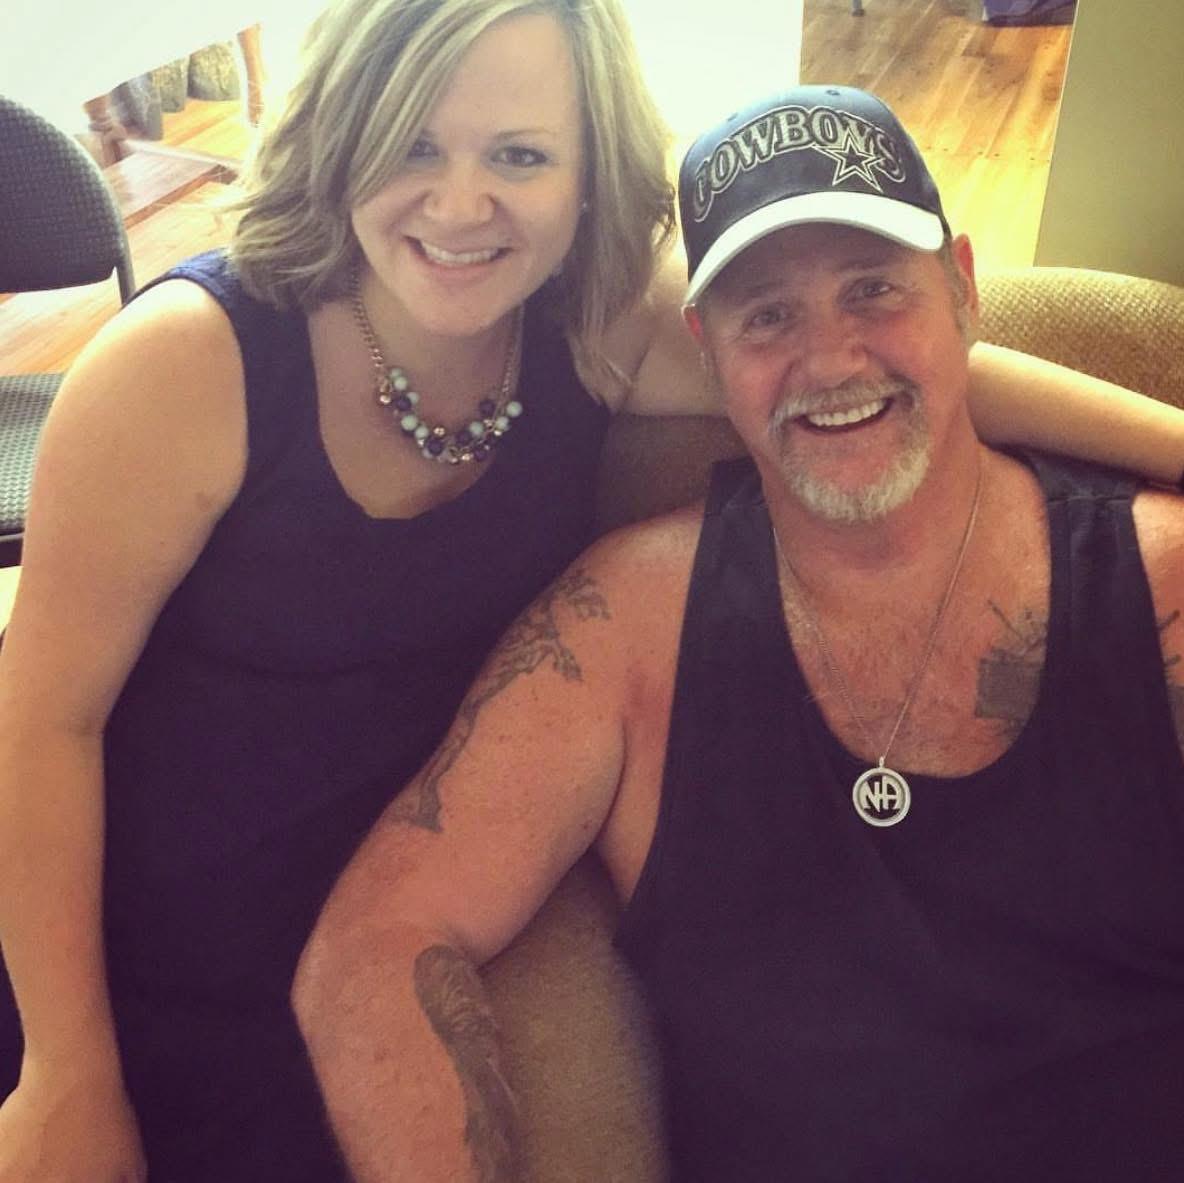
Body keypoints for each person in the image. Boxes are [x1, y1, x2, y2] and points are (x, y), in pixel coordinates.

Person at [0, 0, 1178, 1175]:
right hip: (120, 950)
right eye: (412, 142)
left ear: (586, 177)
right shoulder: (187, 363)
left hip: (382, 910)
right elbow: (42, 718)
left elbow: (906, 375)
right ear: (338, 134)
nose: (460, 203)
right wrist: (65, 1069)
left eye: (519, 155)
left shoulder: (591, 334)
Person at [293, 84, 1184, 1182]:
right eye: (766, 315)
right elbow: (371, 942)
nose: (831, 359)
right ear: (705, 352)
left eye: (872, 289)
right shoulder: (624, 628)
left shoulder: (1158, 586)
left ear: (960, 291)